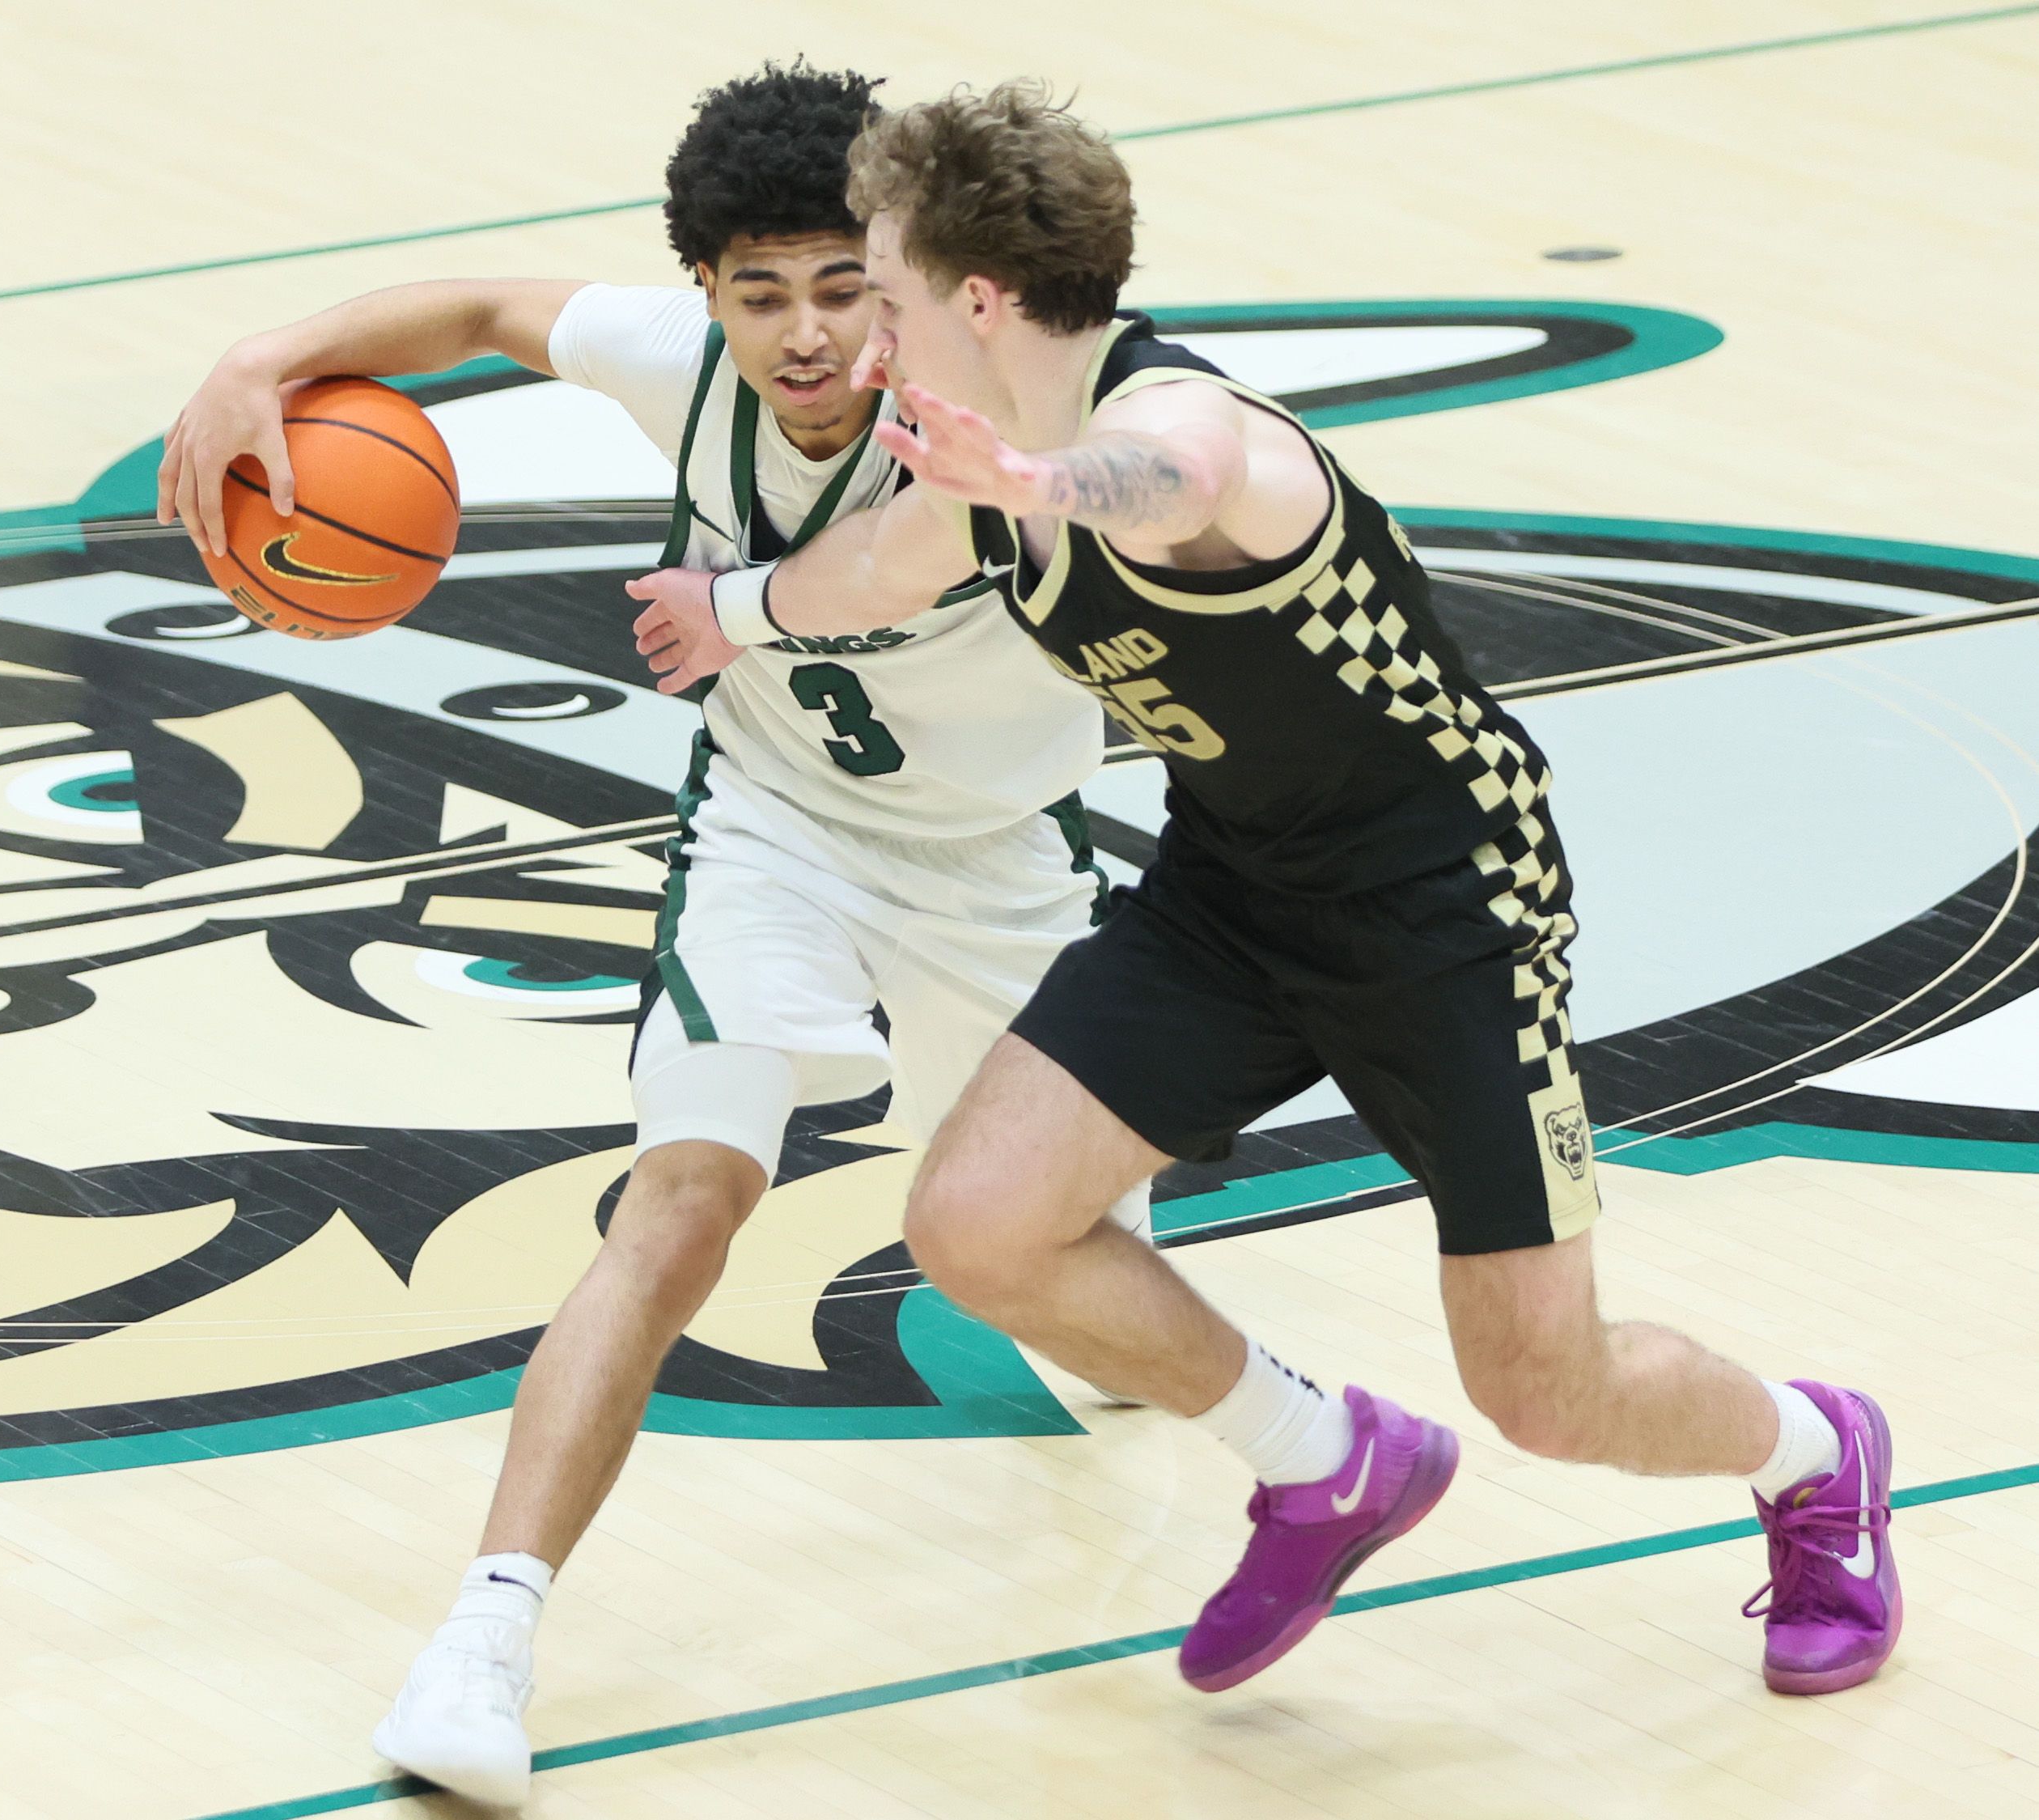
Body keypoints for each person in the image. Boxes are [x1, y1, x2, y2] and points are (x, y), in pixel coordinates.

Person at [632, 78, 1897, 1703]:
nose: (859, 323)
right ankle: (1323, 1460)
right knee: (975, 1226)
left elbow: (1159, 492)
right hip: (1236, 888)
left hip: (1448, 905)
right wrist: (732, 606)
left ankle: (1814, 1456)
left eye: (877, 278)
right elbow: (870, 572)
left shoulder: (1188, 428)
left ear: (977, 298)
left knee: (1545, 1389)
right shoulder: (968, 463)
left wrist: (1028, 486)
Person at [160, 63, 1147, 1806]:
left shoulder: (1009, 396)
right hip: (777, 834)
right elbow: (477, 303)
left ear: (906, 275)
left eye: (845, 286)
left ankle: (1153, 1288)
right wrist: (260, 363)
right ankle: (487, 1632)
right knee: (682, 1203)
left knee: (1078, 1291)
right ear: (706, 292)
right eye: (760, 292)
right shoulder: (672, 364)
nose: (804, 333)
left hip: (1006, 869)